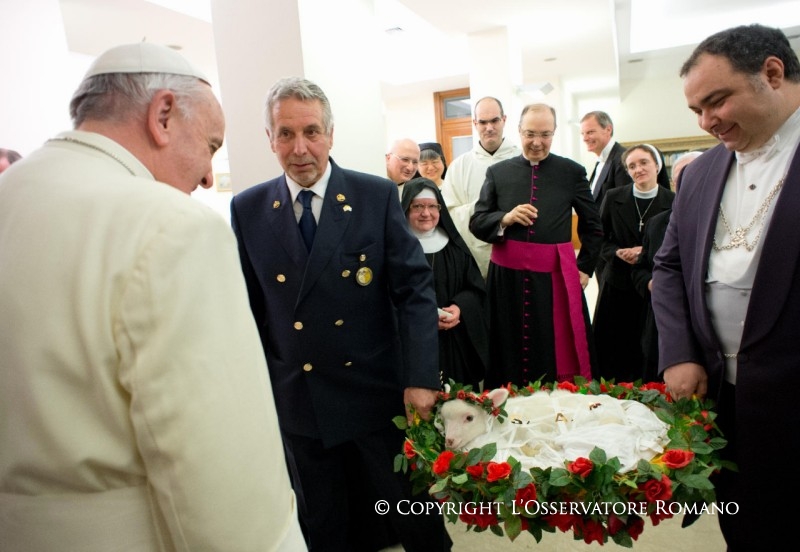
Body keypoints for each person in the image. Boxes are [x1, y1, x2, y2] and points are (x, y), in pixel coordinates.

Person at [0, 43, 305, 551]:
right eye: (210, 145)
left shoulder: (12, 193)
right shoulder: (173, 225)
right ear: (162, 115)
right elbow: (222, 473)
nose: (207, 176)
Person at [230, 77, 451, 552]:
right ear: (269, 139)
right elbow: (249, 311)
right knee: (324, 524)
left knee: (412, 513)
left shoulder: (374, 196)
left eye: (311, 131)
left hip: (375, 389)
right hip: (300, 397)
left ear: (330, 134)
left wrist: (420, 377)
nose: (300, 148)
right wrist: (255, 395)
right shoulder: (248, 208)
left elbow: (414, 291)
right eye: (285, 134)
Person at [652, 24, 800, 550]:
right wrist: (679, 353)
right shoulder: (699, 173)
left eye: (716, 101)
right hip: (722, 399)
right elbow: (669, 267)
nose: (705, 121)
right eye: (696, 110)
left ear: (772, 74)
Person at [470, 103, 603, 388]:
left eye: (545, 134)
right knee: (507, 348)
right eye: (530, 134)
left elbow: (593, 226)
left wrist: (585, 268)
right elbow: (477, 222)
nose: (537, 142)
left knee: (551, 348)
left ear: (554, 133)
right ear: (519, 131)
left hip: (554, 280)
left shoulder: (571, 172)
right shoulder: (498, 173)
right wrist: (504, 218)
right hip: (506, 282)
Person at [592, 144, 675, 383]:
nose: (638, 169)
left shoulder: (672, 201)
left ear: (657, 165)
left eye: (644, 163)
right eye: (632, 166)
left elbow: (674, 244)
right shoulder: (613, 197)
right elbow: (599, 237)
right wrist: (617, 252)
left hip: (650, 285)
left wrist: (644, 252)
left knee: (645, 347)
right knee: (613, 347)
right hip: (616, 282)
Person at [401, 177, 489, 389]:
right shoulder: (395, 249)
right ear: (405, 209)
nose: (426, 213)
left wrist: (459, 307)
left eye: (432, 206)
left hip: (453, 342)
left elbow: (475, 289)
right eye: (418, 206)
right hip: (410, 343)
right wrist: (424, 317)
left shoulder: (455, 248)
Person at [632, 150, 701, 381]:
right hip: (663, 332)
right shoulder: (657, 223)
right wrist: (651, 283)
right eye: (679, 178)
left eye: (692, 175)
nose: (685, 183)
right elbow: (639, 269)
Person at [441, 97, 521, 278]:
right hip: (474, 256)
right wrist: (483, 211)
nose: (489, 127)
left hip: (515, 252)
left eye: (495, 120)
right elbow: (449, 214)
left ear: (504, 120)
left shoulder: (521, 159)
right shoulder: (459, 166)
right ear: (475, 124)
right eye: (483, 122)